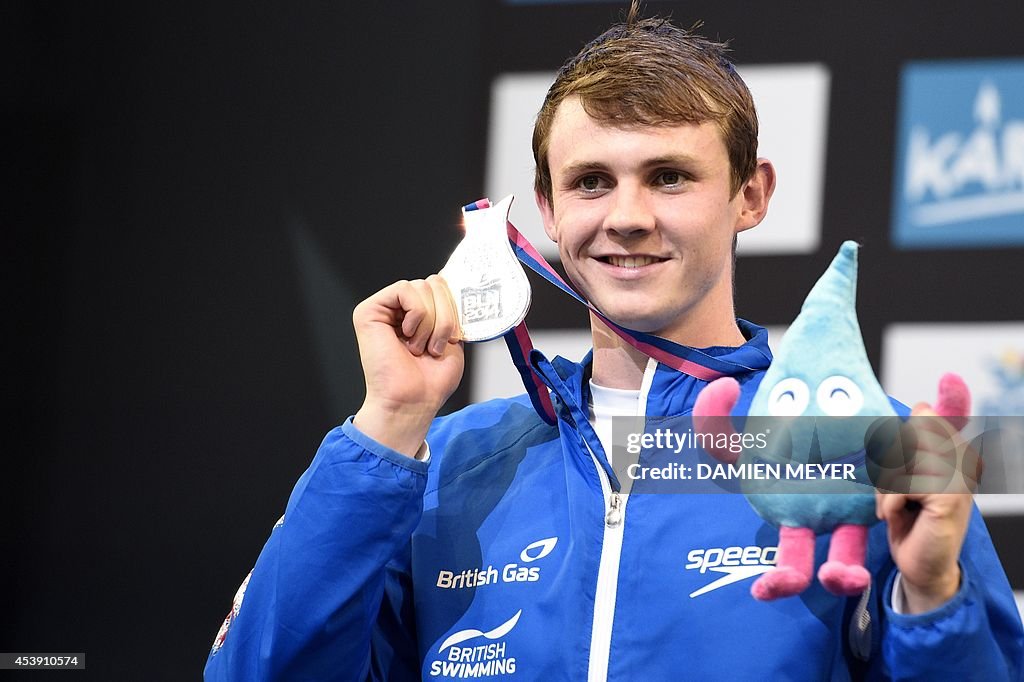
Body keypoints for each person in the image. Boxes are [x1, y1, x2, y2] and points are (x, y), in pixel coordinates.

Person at [205, 3, 1024, 679]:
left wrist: (933, 598)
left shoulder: (865, 446)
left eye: (669, 176)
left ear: (752, 193)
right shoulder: (448, 464)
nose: (626, 216)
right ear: (549, 209)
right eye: (591, 181)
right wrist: (388, 421)